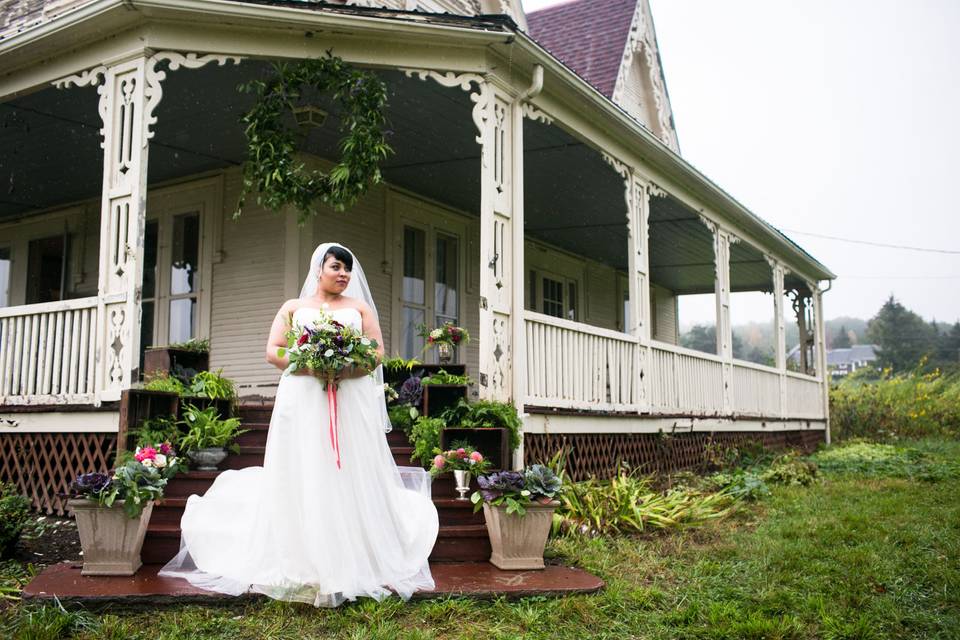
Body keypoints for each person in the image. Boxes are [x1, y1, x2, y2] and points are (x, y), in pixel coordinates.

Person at [159, 243, 439, 607]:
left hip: (348, 397)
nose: (343, 275)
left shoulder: (359, 308)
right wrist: (309, 364)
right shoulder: (293, 308)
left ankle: (350, 554)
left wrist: (345, 367)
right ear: (318, 269)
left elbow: (377, 352)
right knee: (304, 464)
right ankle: (302, 557)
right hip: (303, 396)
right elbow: (273, 350)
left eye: (347, 270)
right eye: (336, 267)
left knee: (345, 467)